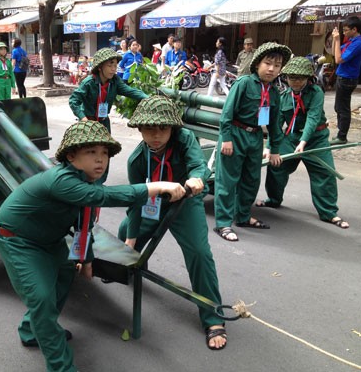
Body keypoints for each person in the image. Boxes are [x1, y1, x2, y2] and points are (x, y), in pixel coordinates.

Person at [0, 119, 185, 372]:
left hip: (49, 239)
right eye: (91, 152)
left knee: (62, 279)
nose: (100, 160)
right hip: (18, 241)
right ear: (71, 156)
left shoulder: (86, 181)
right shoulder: (63, 180)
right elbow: (105, 197)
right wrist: (157, 186)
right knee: (41, 298)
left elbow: (84, 225)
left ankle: (32, 331)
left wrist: (87, 258)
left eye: (104, 153)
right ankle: (61, 366)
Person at [118, 96, 228, 351]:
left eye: (163, 129)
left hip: (185, 202)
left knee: (200, 253)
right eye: (149, 129)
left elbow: (199, 166)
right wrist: (130, 242)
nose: (156, 135)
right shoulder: (136, 161)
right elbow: (136, 203)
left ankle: (212, 317)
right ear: (139, 129)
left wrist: (197, 179)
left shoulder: (184, 139)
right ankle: (128, 267)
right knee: (126, 231)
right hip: (152, 204)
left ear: (172, 128)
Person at [256, 57, 349, 229]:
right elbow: (276, 125)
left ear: (309, 78)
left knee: (324, 172)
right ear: (286, 78)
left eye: (300, 78)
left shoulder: (316, 93)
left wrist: (304, 141)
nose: (296, 82)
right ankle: (273, 199)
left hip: (316, 138)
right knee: (276, 164)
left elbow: (313, 118)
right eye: (292, 78)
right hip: (291, 137)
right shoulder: (284, 96)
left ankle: (329, 212)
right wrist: (270, 146)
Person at [213, 42, 292, 242]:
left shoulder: (274, 92)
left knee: (250, 180)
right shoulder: (244, 83)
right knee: (227, 181)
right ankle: (223, 223)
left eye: (277, 65)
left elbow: (274, 124)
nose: (272, 68)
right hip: (236, 134)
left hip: (255, 137)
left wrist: (274, 149)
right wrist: (227, 139)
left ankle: (243, 217)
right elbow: (226, 114)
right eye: (268, 63)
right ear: (257, 64)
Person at [69, 47, 148, 133]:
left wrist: (148, 98)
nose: (113, 69)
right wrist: (84, 119)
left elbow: (130, 91)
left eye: (115, 66)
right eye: (110, 66)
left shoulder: (115, 81)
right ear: (100, 67)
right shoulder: (88, 83)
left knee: (106, 146)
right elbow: (73, 100)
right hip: (88, 123)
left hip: (104, 122)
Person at [330, 16, 361, 145]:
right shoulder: (350, 41)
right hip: (343, 77)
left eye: (346, 30)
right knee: (339, 107)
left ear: (354, 29)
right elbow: (334, 53)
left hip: (347, 79)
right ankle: (340, 133)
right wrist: (334, 40)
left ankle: (342, 136)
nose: (344, 32)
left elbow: (338, 60)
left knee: (343, 108)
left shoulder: (357, 43)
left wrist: (337, 40)